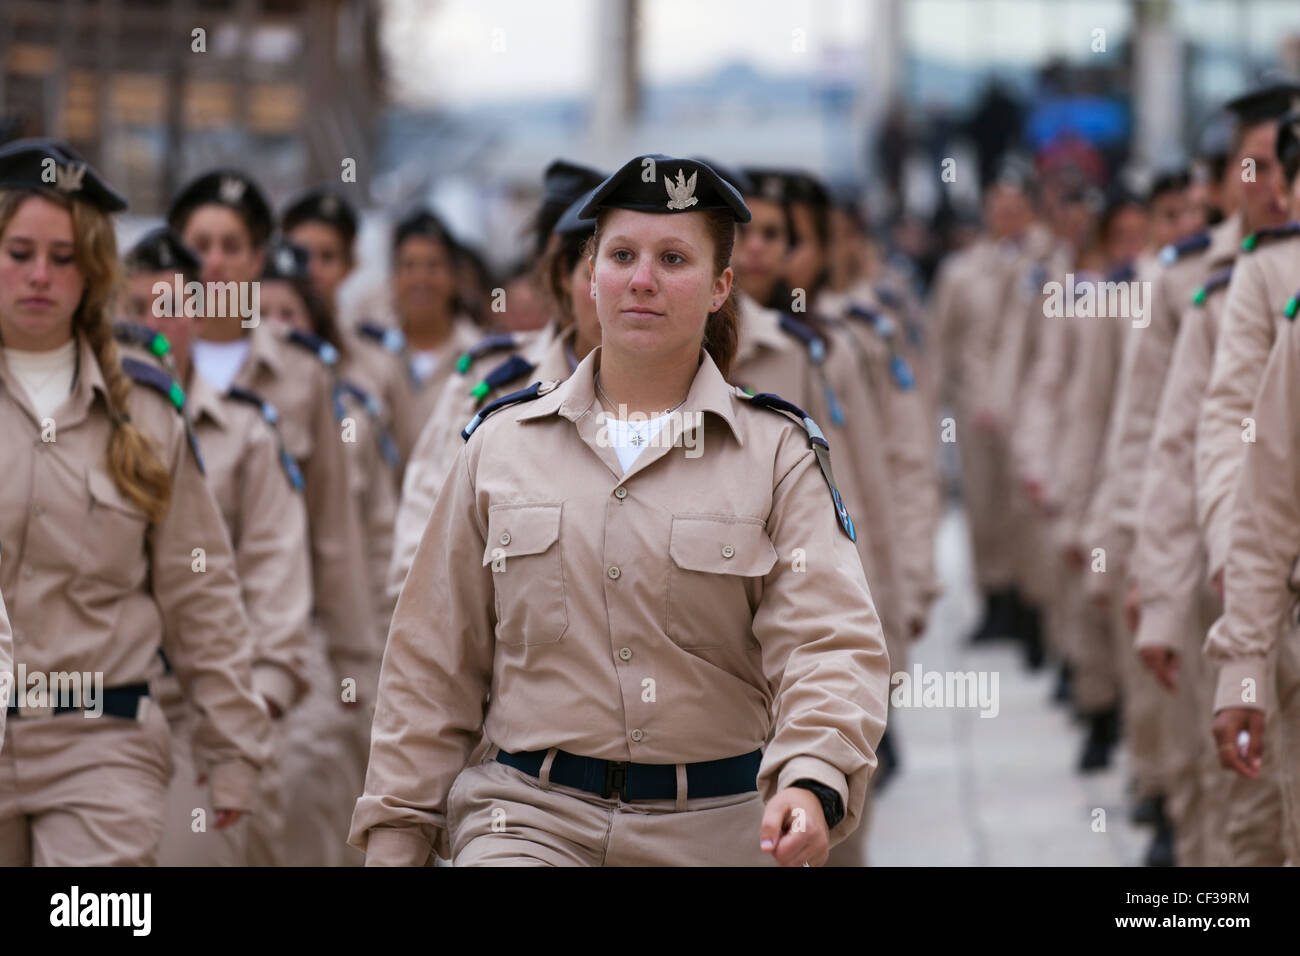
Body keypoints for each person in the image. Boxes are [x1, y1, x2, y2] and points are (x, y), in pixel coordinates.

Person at [350, 155, 890, 867]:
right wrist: (397, 832)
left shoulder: (775, 454)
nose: (642, 279)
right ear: (589, 272)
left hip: (715, 829)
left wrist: (812, 776)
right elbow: (432, 662)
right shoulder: (501, 445)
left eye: (673, 259)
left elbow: (827, 640)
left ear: (722, 286)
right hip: (526, 819)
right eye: (622, 255)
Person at [0, 139, 270, 865]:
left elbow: (199, 589)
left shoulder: (146, 411)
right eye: (19, 251)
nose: (39, 275)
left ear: (92, 272)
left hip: (101, 742)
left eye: (63, 258)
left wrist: (232, 742)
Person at [120, 225, 312, 866]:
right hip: (82, 714)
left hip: (197, 717)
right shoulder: (75, 425)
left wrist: (241, 727)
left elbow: (272, 590)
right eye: (131, 308)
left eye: (167, 307)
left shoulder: (247, 429)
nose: (150, 324)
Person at [167, 169, 379, 734]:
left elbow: (334, 527)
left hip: (278, 644)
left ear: (258, 259)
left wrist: (355, 668)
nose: (214, 262)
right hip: (160, 658)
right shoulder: (142, 365)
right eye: (199, 246)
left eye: (231, 246)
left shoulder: (302, 369)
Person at [390, 180, 604, 598]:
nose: (630, 286)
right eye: (611, 262)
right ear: (565, 276)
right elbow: (426, 524)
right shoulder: (494, 383)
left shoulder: (698, 406)